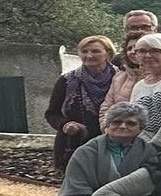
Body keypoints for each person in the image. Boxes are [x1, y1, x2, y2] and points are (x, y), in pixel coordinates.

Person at [47, 35, 118, 170]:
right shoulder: (66, 81)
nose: (89, 55)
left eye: (95, 51)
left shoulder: (121, 78)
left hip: (114, 145)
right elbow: (52, 113)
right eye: (84, 51)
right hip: (74, 146)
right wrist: (66, 125)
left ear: (108, 54)